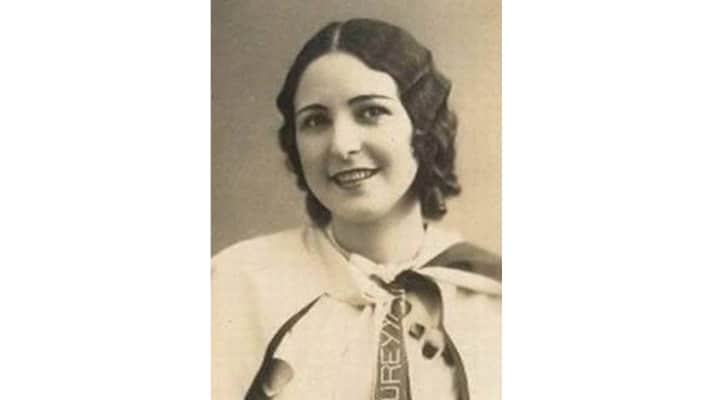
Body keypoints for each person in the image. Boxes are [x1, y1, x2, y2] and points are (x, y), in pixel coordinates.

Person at [212, 18, 501, 400]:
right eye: (315, 121)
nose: (341, 145)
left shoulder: (495, 298)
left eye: (370, 112)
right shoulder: (235, 286)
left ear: (422, 125)